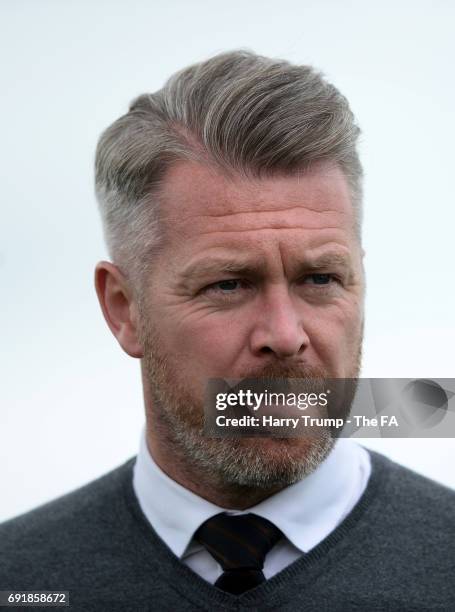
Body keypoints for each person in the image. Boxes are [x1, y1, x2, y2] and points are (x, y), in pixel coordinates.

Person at [1, 50, 453, 611]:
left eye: (320, 278)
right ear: (123, 308)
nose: (286, 336)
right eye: (229, 285)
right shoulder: (19, 579)